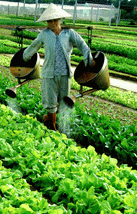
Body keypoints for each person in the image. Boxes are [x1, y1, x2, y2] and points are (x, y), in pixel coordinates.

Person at [23, 3, 95, 131]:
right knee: (51, 102)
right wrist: (25, 57)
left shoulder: (69, 33)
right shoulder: (44, 34)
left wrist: (88, 58)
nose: (53, 23)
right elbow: (34, 46)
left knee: (63, 103)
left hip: (64, 73)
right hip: (49, 73)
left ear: (60, 20)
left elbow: (82, 44)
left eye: (55, 20)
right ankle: (53, 128)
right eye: (49, 21)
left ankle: (49, 120)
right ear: (46, 22)